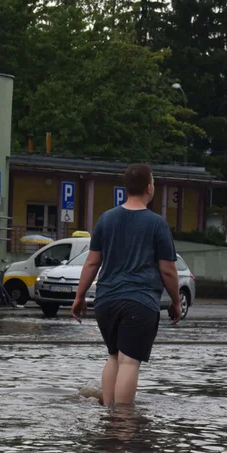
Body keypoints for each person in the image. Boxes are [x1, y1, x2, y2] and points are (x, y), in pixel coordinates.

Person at [72, 164, 181, 406]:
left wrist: (79, 297)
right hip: (139, 304)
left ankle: (109, 417)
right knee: (129, 362)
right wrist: (175, 301)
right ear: (149, 188)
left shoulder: (106, 219)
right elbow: (168, 270)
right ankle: (123, 422)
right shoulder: (157, 224)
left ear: (126, 188)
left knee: (113, 357)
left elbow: (91, 263)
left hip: (106, 302)